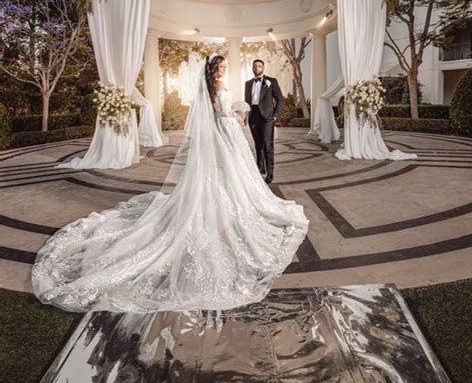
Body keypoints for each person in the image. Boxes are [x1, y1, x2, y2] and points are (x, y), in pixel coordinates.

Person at [31, 54, 308, 314]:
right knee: (229, 176)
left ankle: (223, 199)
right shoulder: (220, 85)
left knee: (226, 176)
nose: (223, 70)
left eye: (224, 66)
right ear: (214, 70)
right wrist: (237, 110)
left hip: (220, 137)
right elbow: (223, 113)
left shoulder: (209, 86)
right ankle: (225, 207)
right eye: (220, 66)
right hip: (226, 133)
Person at [245, 59, 284, 184]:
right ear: (252, 68)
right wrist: (246, 115)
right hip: (253, 116)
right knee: (258, 145)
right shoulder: (248, 83)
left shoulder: (271, 81)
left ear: (263, 68)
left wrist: (275, 115)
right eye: (255, 66)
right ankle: (260, 169)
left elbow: (280, 100)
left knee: (268, 145)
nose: (257, 68)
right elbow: (247, 101)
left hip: (267, 117)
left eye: (259, 66)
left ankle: (270, 174)